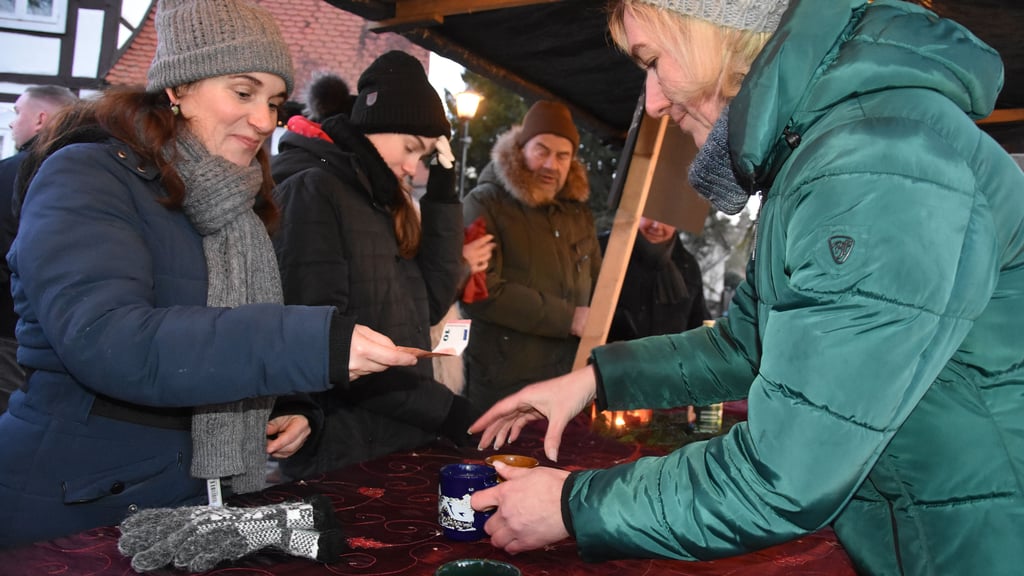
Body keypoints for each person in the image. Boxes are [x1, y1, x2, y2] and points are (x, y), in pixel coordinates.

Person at [468, 0, 1024, 574]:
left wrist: (572, 504)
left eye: (655, 61)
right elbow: (746, 343)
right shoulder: (833, 147)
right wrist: (595, 380)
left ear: (720, 33)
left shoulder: (874, 160)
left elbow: (786, 473)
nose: (653, 102)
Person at [0, 0, 418, 549]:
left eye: (273, 101)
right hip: (76, 503)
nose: (265, 120)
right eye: (243, 93)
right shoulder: (86, 175)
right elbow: (109, 339)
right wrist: (311, 343)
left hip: (187, 498)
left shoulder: (235, 202)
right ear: (177, 87)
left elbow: (221, 333)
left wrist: (289, 405)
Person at [270, 51, 482, 477]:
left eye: (423, 156)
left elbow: (432, 302)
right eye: (409, 148)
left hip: (399, 435)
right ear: (371, 124)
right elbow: (325, 341)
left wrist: (442, 191)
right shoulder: (315, 190)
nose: (411, 167)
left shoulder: (381, 198)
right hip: (343, 448)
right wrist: (447, 411)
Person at [460, 100, 602, 411]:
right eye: (542, 151)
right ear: (521, 149)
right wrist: (568, 318)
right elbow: (480, 291)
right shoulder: (484, 204)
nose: (552, 164)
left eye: (562, 156)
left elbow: (599, 283)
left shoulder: (579, 214)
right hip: (502, 385)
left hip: (567, 380)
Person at [0, 85, 77, 413]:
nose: (11, 123)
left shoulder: (11, 172)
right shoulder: (98, 172)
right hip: (69, 330)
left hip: (11, 323)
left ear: (41, 119)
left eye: (18, 113)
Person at [599, 216, 710, 342]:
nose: (656, 226)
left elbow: (697, 325)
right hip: (606, 358)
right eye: (650, 216)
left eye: (668, 219)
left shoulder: (688, 266)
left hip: (665, 360)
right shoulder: (604, 249)